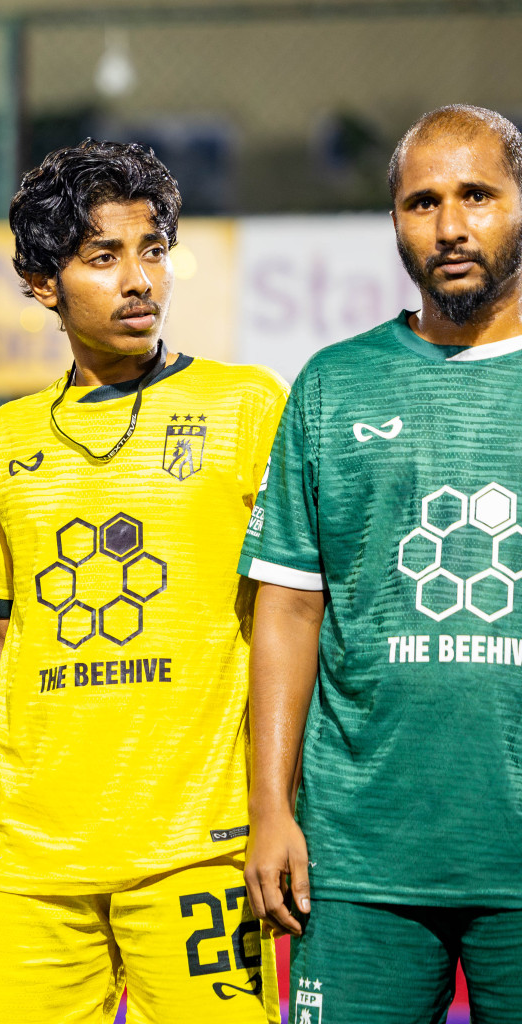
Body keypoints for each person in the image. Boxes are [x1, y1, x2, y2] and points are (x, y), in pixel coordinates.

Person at [0, 140, 286, 1023]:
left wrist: (280, 809)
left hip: (199, 854)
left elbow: (292, 618)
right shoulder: (11, 437)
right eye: (104, 257)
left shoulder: (248, 407)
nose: (140, 281)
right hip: (28, 866)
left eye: (153, 251)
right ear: (43, 283)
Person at [243, 104, 522, 1024]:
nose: (450, 226)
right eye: (422, 202)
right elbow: (286, 609)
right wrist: (272, 811)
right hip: (361, 855)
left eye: (477, 196)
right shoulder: (334, 383)